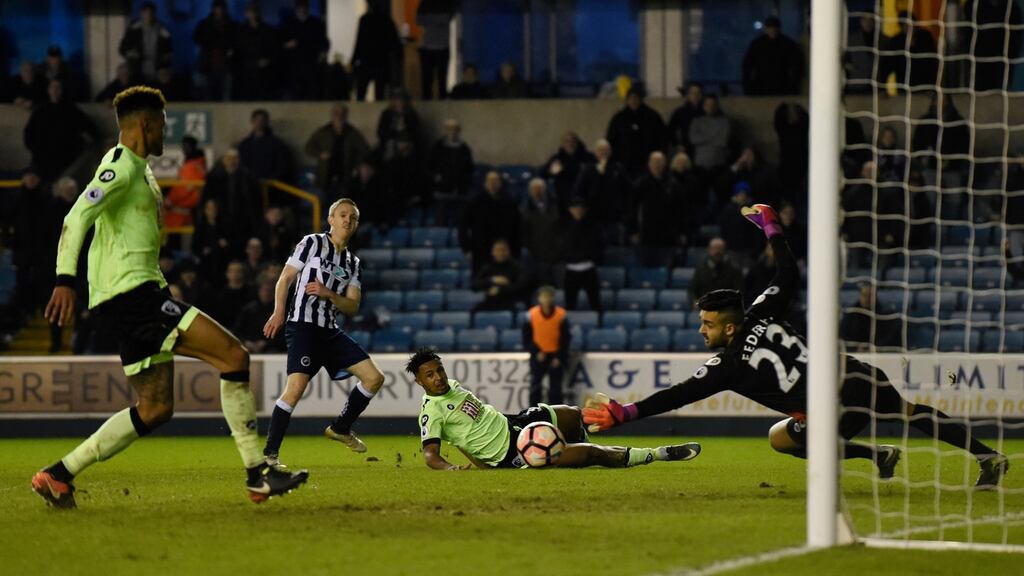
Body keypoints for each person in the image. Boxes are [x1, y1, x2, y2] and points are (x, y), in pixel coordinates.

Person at [584, 204, 1010, 488]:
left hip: (832, 407)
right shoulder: (761, 310)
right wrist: (771, 227)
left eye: (708, 325)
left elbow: (677, 394)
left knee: (783, 440)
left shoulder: (727, 365)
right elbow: (787, 273)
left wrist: (628, 413)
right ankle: (987, 457)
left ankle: (875, 454)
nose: (702, 332)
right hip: (855, 374)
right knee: (912, 413)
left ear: (729, 330)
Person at [32, 87, 308, 509]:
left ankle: (58, 475)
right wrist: (64, 280)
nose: (166, 133)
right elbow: (76, 216)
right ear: (146, 124)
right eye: (162, 124)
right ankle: (258, 473)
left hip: (136, 293)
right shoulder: (121, 167)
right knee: (234, 357)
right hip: (131, 295)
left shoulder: (137, 169)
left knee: (156, 407)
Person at [410, 348, 701, 470]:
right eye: (430, 375)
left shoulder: (454, 386)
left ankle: (579, 445)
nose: (438, 378)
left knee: (572, 414)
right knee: (588, 454)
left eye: (439, 371)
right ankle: (658, 454)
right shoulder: (431, 412)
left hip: (515, 424)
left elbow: (464, 432)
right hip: (512, 452)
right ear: (419, 380)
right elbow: (430, 454)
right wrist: (452, 469)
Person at [261, 198, 386, 467]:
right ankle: (270, 455)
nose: (347, 220)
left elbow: (352, 306)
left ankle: (341, 427)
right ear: (330, 219)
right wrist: (279, 311)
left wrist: (329, 294)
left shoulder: (353, 263)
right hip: (303, 327)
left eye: (352, 217)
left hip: (329, 331)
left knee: (374, 378)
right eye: (342, 215)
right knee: (295, 389)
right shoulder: (312, 243)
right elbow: (285, 278)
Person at [23, 79, 96, 181]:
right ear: (48, 90)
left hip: (64, 156)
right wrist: (35, 149)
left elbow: (90, 127)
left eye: (58, 88)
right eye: (52, 88)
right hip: (42, 156)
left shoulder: (71, 109)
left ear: (61, 90)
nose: (55, 90)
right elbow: (28, 132)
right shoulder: (40, 110)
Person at [459, 171, 521, 272]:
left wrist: (515, 251)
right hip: (480, 252)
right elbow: (463, 227)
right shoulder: (474, 202)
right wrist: (466, 249)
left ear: (500, 183)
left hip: (504, 253)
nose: (493, 183)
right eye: (490, 180)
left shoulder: (509, 202)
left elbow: (517, 229)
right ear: (485, 183)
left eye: (495, 180)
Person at [631, 151, 685, 268]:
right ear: (649, 164)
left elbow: (680, 210)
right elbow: (632, 208)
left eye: (660, 162)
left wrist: (680, 231)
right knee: (646, 271)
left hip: (668, 237)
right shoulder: (641, 184)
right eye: (654, 162)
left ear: (665, 163)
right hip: (646, 236)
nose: (657, 165)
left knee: (665, 270)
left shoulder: (673, 184)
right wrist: (634, 230)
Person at [305, 103, 370, 197]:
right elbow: (308, 148)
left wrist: (357, 164)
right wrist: (320, 154)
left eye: (342, 114)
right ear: (332, 115)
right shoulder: (323, 131)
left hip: (345, 176)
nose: (339, 116)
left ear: (346, 115)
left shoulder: (352, 132)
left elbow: (365, 150)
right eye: (336, 113)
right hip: (325, 176)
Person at [605, 86, 667, 180]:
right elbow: (611, 140)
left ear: (641, 99)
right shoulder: (619, 118)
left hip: (647, 162)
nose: (633, 101)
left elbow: (662, 138)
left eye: (636, 98)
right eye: (630, 98)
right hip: (625, 163)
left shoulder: (652, 117)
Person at [523, 286, 570, 405]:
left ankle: (556, 413)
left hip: (555, 356)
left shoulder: (561, 315)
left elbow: (565, 338)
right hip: (538, 355)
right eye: (544, 296)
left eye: (549, 296)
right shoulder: (531, 314)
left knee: (556, 388)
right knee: (535, 386)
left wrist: (559, 357)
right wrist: (536, 352)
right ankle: (533, 413)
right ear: (539, 298)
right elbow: (526, 337)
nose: (546, 300)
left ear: (553, 298)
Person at [352, 0, 401, 101]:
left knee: (361, 92)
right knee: (379, 92)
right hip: (381, 60)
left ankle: (360, 111)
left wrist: (354, 59)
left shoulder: (365, 20)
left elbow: (359, 41)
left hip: (367, 59)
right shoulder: (386, 20)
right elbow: (394, 43)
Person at [428, 118, 475, 225]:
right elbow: (430, 165)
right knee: (441, 221)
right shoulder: (438, 147)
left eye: (455, 129)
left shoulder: (464, 148)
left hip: (459, 191)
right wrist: (436, 177)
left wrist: (464, 181)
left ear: (459, 131)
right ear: (445, 130)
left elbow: (469, 168)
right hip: (442, 191)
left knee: (459, 222)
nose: (452, 132)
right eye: (449, 129)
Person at [741, 15, 803, 95]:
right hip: (763, 85)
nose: (772, 30)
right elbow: (747, 66)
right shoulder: (758, 44)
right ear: (766, 29)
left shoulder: (787, 44)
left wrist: (793, 85)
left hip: (780, 85)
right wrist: (748, 87)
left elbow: (796, 67)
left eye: (774, 28)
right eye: (770, 28)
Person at [280, 0, 329, 100]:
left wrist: (321, 55)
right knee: (295, 93)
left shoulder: (316, 24)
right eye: (300, 8)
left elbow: (324, 43)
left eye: (304, 7)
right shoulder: (289, 24)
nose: (302, 10)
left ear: (307, 8)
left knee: (312, 92)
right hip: (294, 65)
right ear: (296, 9)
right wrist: (287, 45)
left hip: (311, 64)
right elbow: (279, 43)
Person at [562, 196, 603, 311]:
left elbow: (598, 246)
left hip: (588, 268)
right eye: (575, 208)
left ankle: (598, 326)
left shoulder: (593, 226)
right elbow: (562, 246)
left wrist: (590, 257)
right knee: (570, 303)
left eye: (580, 208)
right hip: (571, 269)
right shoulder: (564, 226)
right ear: (570, 210)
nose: (578, 210)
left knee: (595, 302)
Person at [233, 3, 279, 101]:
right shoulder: (240, 31)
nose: (252, 15)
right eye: (250, 12)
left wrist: (267, 60)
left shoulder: (268, 30)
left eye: (254, 12)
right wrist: (252, 63)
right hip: (246, 73)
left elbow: (274, 49)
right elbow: (238, 52)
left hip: (265, 73)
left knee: (264, 98)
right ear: (246, 14)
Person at [521, 178, 562, 287]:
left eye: (540, 188)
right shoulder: (524, 210)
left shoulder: (557, 206)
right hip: (536, 252)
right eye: (534, 189)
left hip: (556, 252)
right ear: (529, 191)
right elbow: (524, 233)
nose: (537, 191)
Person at [542, 131, 594, 217]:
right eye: (566, 141)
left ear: (577, 142)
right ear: (562, 144)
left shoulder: (588, 157)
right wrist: (551, 171)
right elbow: (543, 174)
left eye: (572, 141)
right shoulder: (557, 158)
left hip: (583, 199)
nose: (569, 144)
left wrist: (564, 170)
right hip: (563, 199)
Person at [119, 2, 173, 84]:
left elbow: (170, 49)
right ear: (141, 14)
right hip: (137, 67)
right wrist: (131, 53)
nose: (148, 16)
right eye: (146, 13)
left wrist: (166, 57)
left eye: (151, 13)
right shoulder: (133, 29)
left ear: (154, 14)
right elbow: (122, 49)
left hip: (157, 67)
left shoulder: (162, 29)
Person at [192, 0, 235, 101]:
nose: (219, 11)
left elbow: (235, 42)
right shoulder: (204, 24)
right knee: (207, 93)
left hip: (226, 64)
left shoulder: (231, 25)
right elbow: (196, 38)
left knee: (226, 93)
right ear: (213, 9)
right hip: (208, 64)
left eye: (221, 9)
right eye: (217, 8)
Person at [471, 238, 528, 312]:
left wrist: (501, 289)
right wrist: (492, 279)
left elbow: (521, 286)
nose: (501, 253)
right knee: (474, 311)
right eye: (498, 250)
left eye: (503, 250)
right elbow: (474, 285)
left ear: (508, 251)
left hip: (511, 301)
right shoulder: (488, 266)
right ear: (493, 252)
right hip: (490, 302)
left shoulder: (516, 267)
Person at [238, 109, 293, 184]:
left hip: (270, 184)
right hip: (250, 184)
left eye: (262, 120)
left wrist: (273, 178)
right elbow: (242, 163)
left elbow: (282, 165)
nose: (259, 123)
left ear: (266, 122)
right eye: (257, 120)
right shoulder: (245, 144)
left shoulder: (276, 143)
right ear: (252, 121)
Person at [233, 277, 286, 353]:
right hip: (247, 346)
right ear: (259, 292)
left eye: (269, 291)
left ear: (274, 293)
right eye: (264, 290)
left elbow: (283, 334)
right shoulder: (248, 310)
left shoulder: (279, 311)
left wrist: (265, 343)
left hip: (271, 348)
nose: (266, 293)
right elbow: (237, 331)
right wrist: (246, 342)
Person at [417, 0, 455, 100]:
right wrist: (439, 20)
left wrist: (429, 19)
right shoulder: (425, 3)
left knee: (441, 79)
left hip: (440, 46)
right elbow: (418, 19)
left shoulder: (446, 3)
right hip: (428, 47)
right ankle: (427, 101)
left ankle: (441, 100)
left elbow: (448, 18)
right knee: (427, 79)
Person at [690, 237, 743, 304]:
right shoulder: (700, 270)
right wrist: (694, 302)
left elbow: (738, 293)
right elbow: (692, 291)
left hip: (726, 309)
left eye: (720, 249)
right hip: (704, 309)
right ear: (709, 250)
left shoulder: (734, 271)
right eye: (715, 248)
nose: (717, 252)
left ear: (725, 250)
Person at [667, 82, 704, 157]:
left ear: (701, 95)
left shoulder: (706, 111)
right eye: (692, 93)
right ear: (688, 95)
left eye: (698, 93)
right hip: (685, 148)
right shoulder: (680, 112)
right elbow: (670, 130)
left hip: (703, 148)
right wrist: (676, 144)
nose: (695, 96)